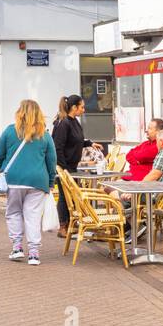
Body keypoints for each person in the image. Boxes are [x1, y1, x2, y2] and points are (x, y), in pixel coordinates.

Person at [0, 100, 57, 266]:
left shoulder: (9, 131)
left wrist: (4, 170)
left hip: (13, 180)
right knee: (33, 216)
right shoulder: (45, 135)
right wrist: (51, 181)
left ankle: (17, 248)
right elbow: (52, 161)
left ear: (19, 112)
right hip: (37, 181)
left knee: (13, 212)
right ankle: (34, 253)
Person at [50, 95, 100, 235]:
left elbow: (76, 140)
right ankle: (63, 226)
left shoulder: (74, 122)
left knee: (71, 195)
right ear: (74, 107)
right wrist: (64, 168)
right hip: (64, 167)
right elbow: (58, 147)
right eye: (82, 107)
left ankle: (72, 223)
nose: (83, 110)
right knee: (64, 195)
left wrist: (89, 143)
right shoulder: (64, 123)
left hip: (72, 166)